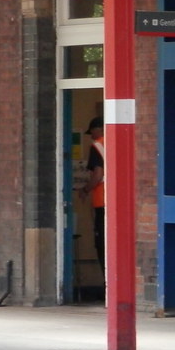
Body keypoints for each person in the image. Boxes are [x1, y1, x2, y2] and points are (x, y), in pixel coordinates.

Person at [80, 117, 105, 273]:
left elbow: (97, 175)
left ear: (99, 129)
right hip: (122, 203)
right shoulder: (122, 141)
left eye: (92, 132)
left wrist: (85, 190)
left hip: (102, 202)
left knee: (102, 243)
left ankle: (107, 284)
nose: (91, 136)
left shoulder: (97, 146)